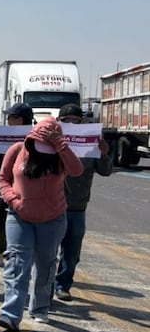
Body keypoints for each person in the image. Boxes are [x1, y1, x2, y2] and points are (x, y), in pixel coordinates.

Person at [0, 117, 83, 330]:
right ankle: (10, 314)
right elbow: (3, 180)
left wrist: (59, 144)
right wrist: (14, 201)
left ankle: (40, 307)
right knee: (17, 263)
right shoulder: (17, 150)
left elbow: (77, 170)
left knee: (45, 265)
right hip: (19, 217)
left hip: (52, 220)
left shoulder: (61, 155)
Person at [54, 103, 112, 301]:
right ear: (58, 121)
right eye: (65, 120)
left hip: (77, 206)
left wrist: (104, 153)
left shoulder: (91, 141)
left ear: (82, 122)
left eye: (75, 121)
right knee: (46, 249)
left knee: (71, 252)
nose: (70, 123)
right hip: (50, 204)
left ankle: (62, 285)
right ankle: (42, 286)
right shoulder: (49, 140)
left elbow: (105, 171)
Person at [0, 103, 34, 265]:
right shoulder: (5, 137)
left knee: (22, 223)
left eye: (10, 117)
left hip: (26, 189)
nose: (7, 121)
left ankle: (17, 253)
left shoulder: (35, 137)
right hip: (5, 187)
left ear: (19, 120)